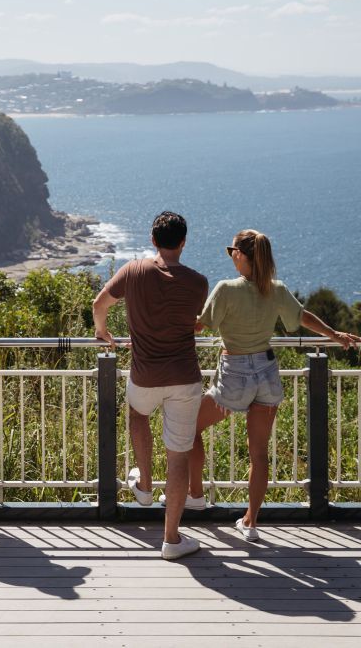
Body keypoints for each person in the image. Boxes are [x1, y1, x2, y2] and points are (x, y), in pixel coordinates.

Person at [189, 228, 361, 541]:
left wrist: (161, 320)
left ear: (241, 255)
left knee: (189, 427)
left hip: (235, 374)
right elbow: (304, 316)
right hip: (267, 373)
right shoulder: (276, 289)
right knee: (259, 454)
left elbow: (200, 324)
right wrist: (335, 335)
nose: (232, 259)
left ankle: (195, 496)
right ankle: (251, 523)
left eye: (233, 253)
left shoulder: (227, 289)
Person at [93, 211, 208, 560]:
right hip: (185, 378)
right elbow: (196, 324)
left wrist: (103, 333)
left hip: (144, 374)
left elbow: (99, 304)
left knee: (137, 412)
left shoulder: (134, 270)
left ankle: (143, 485)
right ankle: (172, 539)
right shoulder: (198, 282)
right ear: (184, 242)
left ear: (153, 240)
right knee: (178, 456)